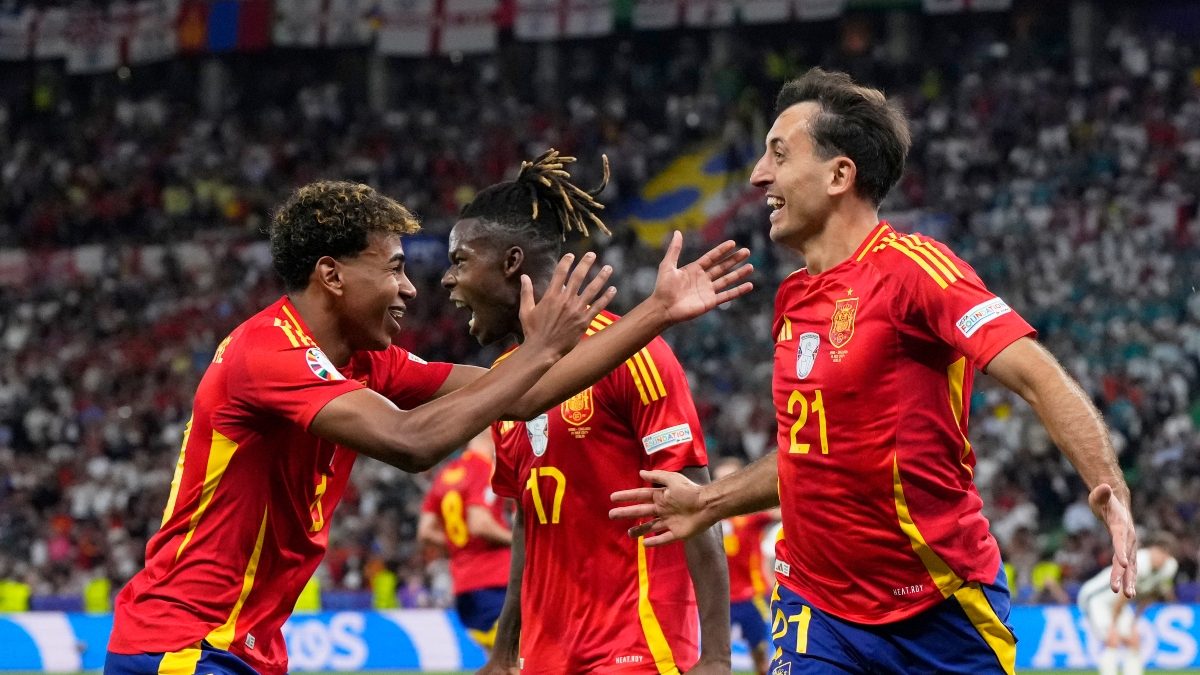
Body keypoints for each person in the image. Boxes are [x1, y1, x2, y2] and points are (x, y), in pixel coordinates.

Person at [104, 179, 753, 675]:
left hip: (241, 646)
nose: (412, 289)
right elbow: (411, 443)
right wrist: (536, 349)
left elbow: (522, 398)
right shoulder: (266, 351)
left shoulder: (365, 362)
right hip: (182, 641)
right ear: (331, 274)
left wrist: (657, 311)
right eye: (393, 268)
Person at [610, 68, 1138, 675]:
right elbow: (808, 455)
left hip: (940, 607)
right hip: (816, 611)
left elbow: (1036, 376)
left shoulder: (916, 272)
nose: (758, 176)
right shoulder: (793, 300)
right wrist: (708, 501)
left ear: (840, 175)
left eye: (778, 155)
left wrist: (1110, 488)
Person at [441, 150, 733, 674]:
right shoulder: (506, 383)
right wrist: (504, 652)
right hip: (549, 655)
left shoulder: (630, 353)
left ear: (510, 263)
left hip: (638, 643)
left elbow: (697, 502)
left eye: (460, 260)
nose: (446, 280)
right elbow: (528, 522)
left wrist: (716, 657)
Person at [417, 431, 513, 651]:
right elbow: (479, 524)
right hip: (495, 582)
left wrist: (459, 545)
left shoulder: (447, 473)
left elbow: (425, 531)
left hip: (463, 588)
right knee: (517, 661)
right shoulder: (485, 469)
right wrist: (519, 542)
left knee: (499, 664)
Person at [1077, 532, 1178, 675]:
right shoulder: (1139, 562)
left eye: (1165, 554)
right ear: (1151, 550)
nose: (1160, 558)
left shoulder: (1169, 567)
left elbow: (1151, 595)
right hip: (1096, 598)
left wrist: (1135, 620)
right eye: (1158, 552)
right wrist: (1113, 623)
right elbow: (1123, 595)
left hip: (1118, 603)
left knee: (1134, 641)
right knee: (1112, 639)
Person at [713, 458, 777, 675]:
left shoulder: (752, 516)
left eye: (730, 478)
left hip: (752, 598)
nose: (726, 483)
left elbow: (781, 509)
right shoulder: (706, 518)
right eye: (720, 479)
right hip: (719, 602)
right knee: (715, 660)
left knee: (761, 658)